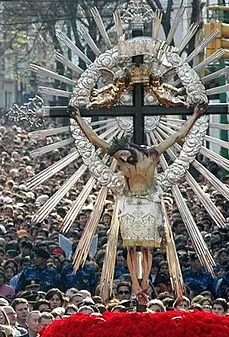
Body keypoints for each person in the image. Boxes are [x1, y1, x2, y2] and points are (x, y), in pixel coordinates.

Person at [68, 104, 206, 299]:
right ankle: (135, 285)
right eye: (119, 157)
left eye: (124, 154)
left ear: (130, 148)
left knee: (147, 247)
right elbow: (94, 139)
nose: (122, 159)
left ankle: (145, 282)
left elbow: (178, 136)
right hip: (130, 203)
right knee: (131, 248)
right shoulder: (121, 158)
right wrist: (78, 118)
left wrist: (194, 115)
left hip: (149, 201)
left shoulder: (153, 154)